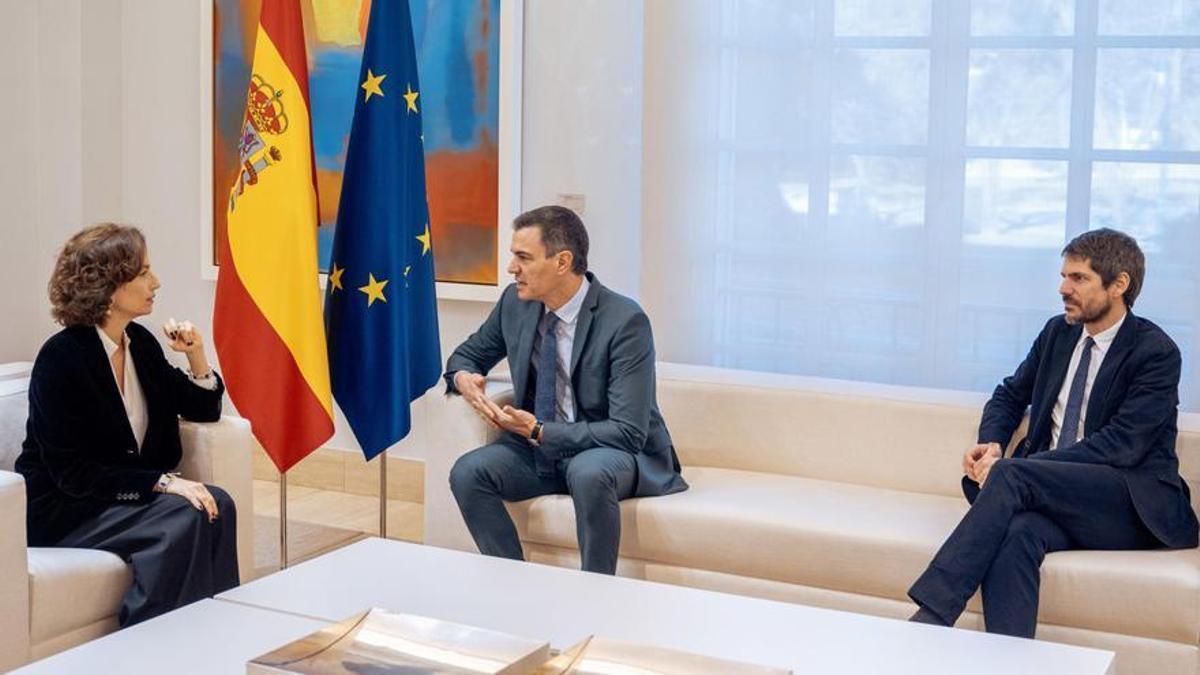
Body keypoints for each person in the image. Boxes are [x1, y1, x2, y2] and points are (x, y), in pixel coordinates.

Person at [908, 228, 1199, 637]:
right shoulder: (1057, 334)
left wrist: (1019, 468)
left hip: (1128, 503)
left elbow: (1122, 445)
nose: (1064, 288)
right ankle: (1010, 664)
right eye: (1064, 276)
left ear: (1119, 285)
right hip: (1058, 495)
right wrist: (991, 443)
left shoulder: (1155, 352)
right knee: (1017, 533)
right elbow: (1009, 395)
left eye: (1078, 279)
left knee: (1012, 473)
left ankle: (931, 620)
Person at [15, 223, 239, 627]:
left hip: (120, 501)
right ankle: (147, 642)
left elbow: (203, 409)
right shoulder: (61, 358)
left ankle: (213, 629)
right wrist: (165, 483)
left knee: (217, 503)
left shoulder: (140, 343)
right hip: (69, 510)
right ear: (108, 286)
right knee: (184, 516)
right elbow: (72, 475)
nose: (156, 282)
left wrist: (197, 356)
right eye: (143, 273)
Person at [446, 205, 688, 574]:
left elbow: (628, 431)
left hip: (610, 451)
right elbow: (468, 354)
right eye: (514, 256)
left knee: (588, 472)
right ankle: (515, 584)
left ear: (562, 262)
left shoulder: (624, 321)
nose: (511, 268)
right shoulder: (516, 303)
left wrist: (539, 431)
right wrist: (463, 376)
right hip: (540, 451)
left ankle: (594, 593)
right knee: (468, 472)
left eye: (523, 257)